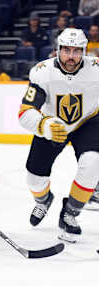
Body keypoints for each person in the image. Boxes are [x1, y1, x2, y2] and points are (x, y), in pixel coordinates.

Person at [18, 28, 99, 243]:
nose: (71, 56)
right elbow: (24, 113)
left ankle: (70, 213)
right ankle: (44, 200)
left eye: (76, 51)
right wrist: (44, 125)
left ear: (84, 51)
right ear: (57, 50)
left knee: (92, 163)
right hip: (53, 123)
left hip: (88, 122)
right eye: (66, 50)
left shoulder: (97, 69)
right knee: (34, 178)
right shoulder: (42, 72)